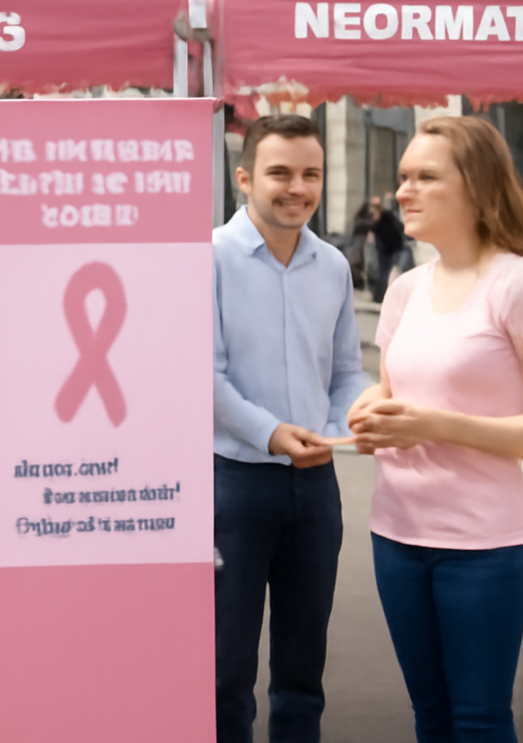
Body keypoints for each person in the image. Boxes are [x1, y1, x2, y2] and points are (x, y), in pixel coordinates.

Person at [348, 116, 523, 742]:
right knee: (431, 716)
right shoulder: (406, 289)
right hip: (395, 534)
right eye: (403, 177)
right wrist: (369, 410)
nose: (403, 191)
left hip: (483, 547)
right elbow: (392, 389)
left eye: (425, 177)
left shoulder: (521, 283)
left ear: (477, 189)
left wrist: (438, 425)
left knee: (478, 719)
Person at [212, 114, 373, 743]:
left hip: (316, 488)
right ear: (245, 177)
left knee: (303, 673)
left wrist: (336, 430)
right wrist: (273, 433)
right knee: (226, 672)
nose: (296, 187)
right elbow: (203, 375)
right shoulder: (209, 260)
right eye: (280, 172)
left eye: (311, 174)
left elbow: (347, 372)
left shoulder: (332, 265)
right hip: (232, 485)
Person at [369, 195, 407, 303]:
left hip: (388, 248)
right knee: (384, 271)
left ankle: (383, 295)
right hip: (387, 248)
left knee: (385, 272)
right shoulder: (382, 215)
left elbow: (397, 227)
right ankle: (381, 295)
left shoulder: (384, 215)